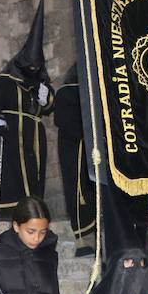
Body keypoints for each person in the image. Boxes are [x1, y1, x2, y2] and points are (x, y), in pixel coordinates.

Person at [0, 0, 53, 214]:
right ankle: (10, 212)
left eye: (36, 65)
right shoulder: (4, 81)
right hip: (12, 135)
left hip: (34, 136)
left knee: (35, 173)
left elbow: (48, 105)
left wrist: (41, 91)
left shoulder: (38, 85)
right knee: (14, 174)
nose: (32, 68)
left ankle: (35, 210)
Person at [52, 65, 97, 256]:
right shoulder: (67, 93)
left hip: (90, 153)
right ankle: (83, 240)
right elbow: (67, 122)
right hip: (75, 153)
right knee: (79, 194)